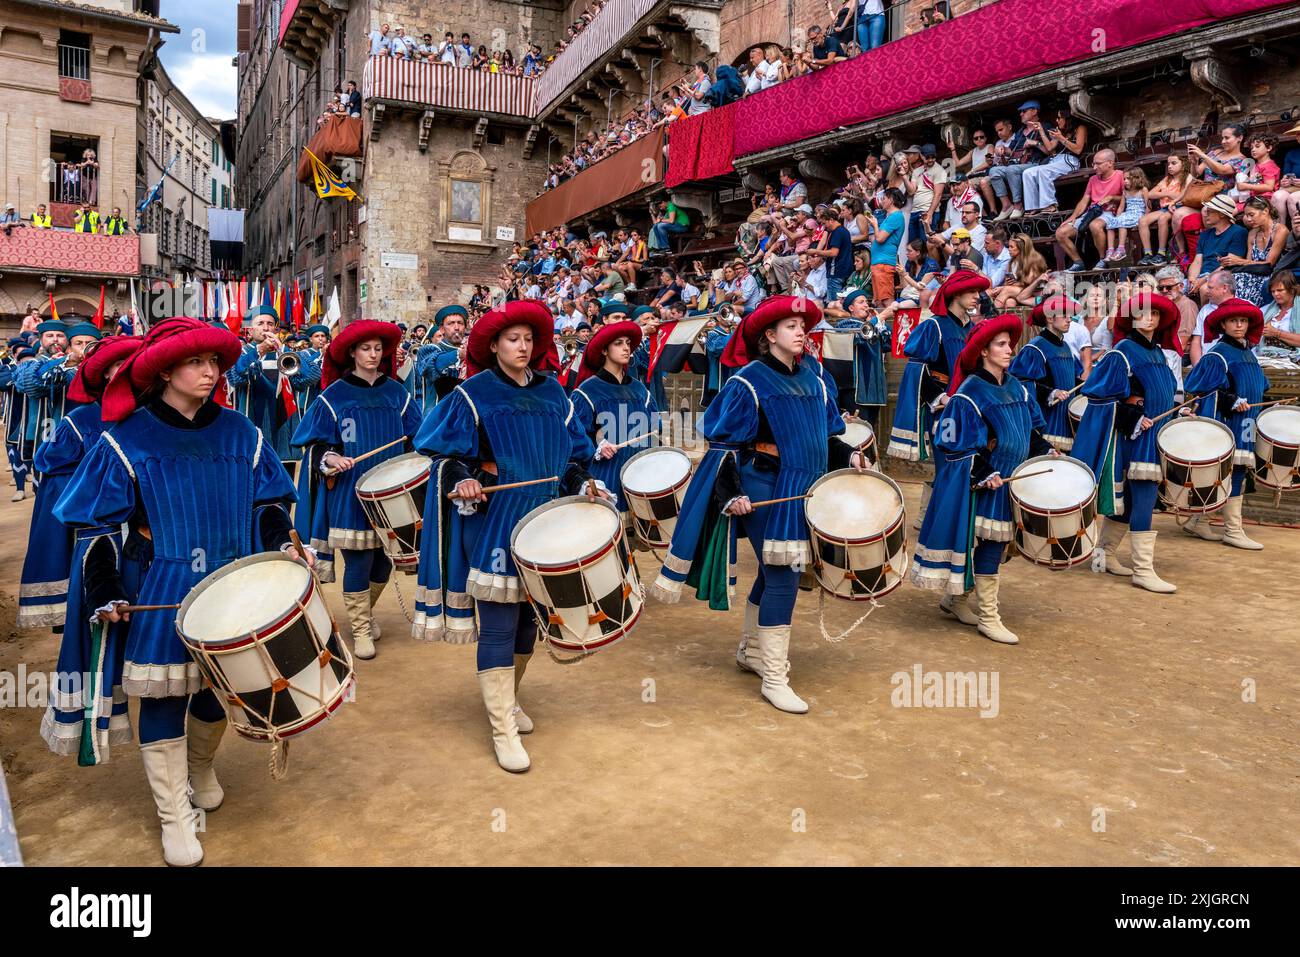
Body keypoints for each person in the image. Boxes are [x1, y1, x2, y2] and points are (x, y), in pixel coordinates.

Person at [54, 317, 304, 867]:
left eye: (216, 362)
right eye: (196, 362)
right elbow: (94, 525)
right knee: (166, 697)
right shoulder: (126, 439)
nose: (210, 372)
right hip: (162, 581)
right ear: (165, 370)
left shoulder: (244, 434)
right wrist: (105, 587)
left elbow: (268, 506)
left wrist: (282, 544)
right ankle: (174, 816)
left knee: (220, 691)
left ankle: (200, 767)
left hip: (234, 580)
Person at [412, 301, 606, 772]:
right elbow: (441, 452)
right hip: (499, 519)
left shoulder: (555, 393)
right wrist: (464, 476)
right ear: (493, 345)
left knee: (528, 626)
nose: (522, 347)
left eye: (528, 339)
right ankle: (502, 728)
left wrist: (583, 483)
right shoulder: (471, 393)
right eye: (512, 339)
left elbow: (575, 458)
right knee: (499, 624)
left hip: (547, 520)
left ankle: (510, 699)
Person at [649, 297, 862, 713]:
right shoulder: (747, 382)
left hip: (808, 486)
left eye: (803, 325)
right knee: (783, 574)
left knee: (775, 571)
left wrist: (848, 455)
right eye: (791, 326)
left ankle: (751, 651)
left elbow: (828, 437)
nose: (801, 332)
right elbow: (725, 445)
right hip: (766, 486)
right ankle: (774, 676)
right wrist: (731, 493)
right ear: (769, 335)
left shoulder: (817, 380)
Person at [910, 314, 1056, 643]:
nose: (1010, 350)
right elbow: (951, 441)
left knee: (1002, 546)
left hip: (1012, 481)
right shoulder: (969, 392)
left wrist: (1045, 450)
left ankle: (957, 598)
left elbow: (1030, 431)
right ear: (984, 352)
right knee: (992, 545)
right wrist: (983, 470)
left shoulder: (1016, 385)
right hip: (985, 484)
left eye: (1010, 344)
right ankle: (989, 616)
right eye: (1001, 345)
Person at [39, 335, 142, 761]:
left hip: (161, 549)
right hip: (106, 541)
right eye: (116, 369)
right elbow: (62, 492)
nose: (126, 375)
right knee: (108, 644)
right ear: (101, 378)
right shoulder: (80, 422)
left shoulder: (156, 420)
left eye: (133, 366)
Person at [292, 321, 419, 660]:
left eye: (378, 349)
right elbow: (315, 444)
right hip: (349, 492)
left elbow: (418, 437)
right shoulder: (333, 395)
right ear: (352, 353)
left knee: (385, 564)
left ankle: (365, 612)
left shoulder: (398, 393)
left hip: (391, 494)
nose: (373, 355)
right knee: (359, 564)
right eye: (366, 349)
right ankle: (361, 629)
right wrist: (331, 456)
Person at [1072, 294, 1186, 593]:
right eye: (1142, 313)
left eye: (1155, 314)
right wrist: (1133, 417)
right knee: (1144, 499)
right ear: (1131, 318)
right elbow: (1097, 396)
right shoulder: (1122, 351)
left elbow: (1164, 391)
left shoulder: (1160, 354)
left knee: (1133, 501)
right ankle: (1143, 570)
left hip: (1155, 432)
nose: (1149, 318)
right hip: (1135, 437)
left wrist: (1178, 408)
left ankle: (1104, 555)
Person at [888, 270, 989, 537]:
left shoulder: (970, 329)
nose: (978, 298)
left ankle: (928, 516)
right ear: (956, 294)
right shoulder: (933, 326)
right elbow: (917, 370)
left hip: (967, 409)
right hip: (943, 410)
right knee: (948, 463)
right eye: (972, 293)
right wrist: (941, 397)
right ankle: (937, 523)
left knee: (958, 463)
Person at [16, 321, 99, 630]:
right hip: (55, 463)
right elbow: (31, 385)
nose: (83, 348)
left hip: (90, 461)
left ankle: (86, 595)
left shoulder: (100, 375)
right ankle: (59, 604)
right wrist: (67, 362)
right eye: (78, 343)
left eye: (90, 343)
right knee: (54, 528)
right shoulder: (44, 367)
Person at [1182, 298, 1269, 549]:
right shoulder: (1217, 354)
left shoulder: (1247, 353)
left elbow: (1259, 388)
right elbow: (1202, 389)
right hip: (1230, 422)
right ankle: (1232, 529)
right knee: (1230, 472)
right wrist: (1231, 400)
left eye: (1243, 320)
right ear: (1223, 324)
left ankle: (1198, 520)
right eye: (1233, 320)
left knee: (1236, 473)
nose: (1239, 325)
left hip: (1248, 422)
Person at [571, 319, 659, 524]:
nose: (626, 348)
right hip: (605, 475)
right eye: (618, 343)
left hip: (639, 478)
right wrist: (597, 445)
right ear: (604, 351)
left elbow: (654, 430)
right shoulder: (587, 391)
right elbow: (574, 438)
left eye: (628, 343)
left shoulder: (640, 390)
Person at [1010, 296, 1084, 451]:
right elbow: (1021, 385)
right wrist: (1052, 393)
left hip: (1067, 420)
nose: (1070, 319)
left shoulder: (1066, 347)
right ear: (1050, 318)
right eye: (1064, 314)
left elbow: (1073, 380)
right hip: (1047, 421)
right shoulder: (1035, 348)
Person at [412, 305, 467, 410]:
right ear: (442, 329)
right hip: (436, 416)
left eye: (460, 323)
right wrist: (459, 354)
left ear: (465, 327)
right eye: (451, 323)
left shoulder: (469, 350)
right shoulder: (429, 349)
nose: (456, 327)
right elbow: (430, 367)